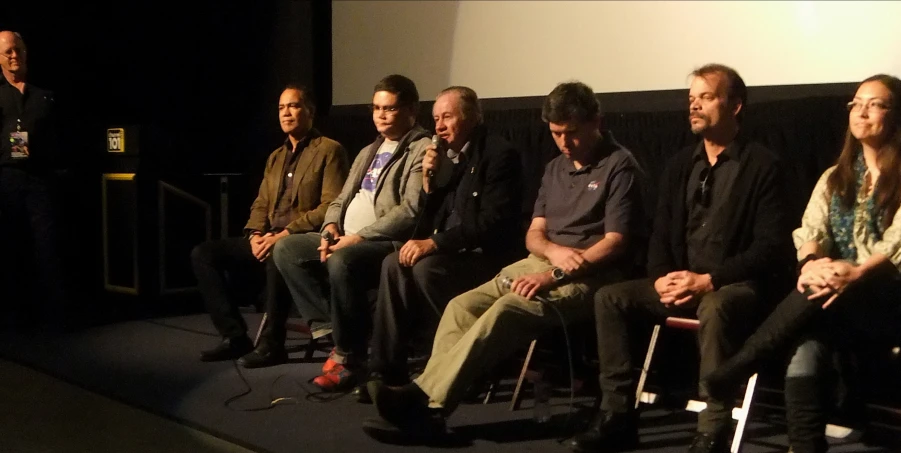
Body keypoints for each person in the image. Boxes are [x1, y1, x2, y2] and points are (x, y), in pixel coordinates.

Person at [362, 80, 645, 443]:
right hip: (540, 261)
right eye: (556, 133)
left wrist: (556, 271)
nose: (564, 142)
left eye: (571, 133)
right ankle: (430, 408)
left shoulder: (619, 166)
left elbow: (616, 243)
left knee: (508, 310)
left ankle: (424, 403)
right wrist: (552, 253)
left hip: (590, 273)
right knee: (460, 307)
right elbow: (534, 233)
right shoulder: (556, 167)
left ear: (596, 122)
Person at [566, 64, 794, 453]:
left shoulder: (762, 165)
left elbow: (771, 247)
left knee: (717, 307)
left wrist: (709, 280)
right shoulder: (680, 165)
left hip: (734, 285)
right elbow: (660, 234)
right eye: (691, 99)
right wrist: (660, 278)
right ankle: (616, 415)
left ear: (735, 105)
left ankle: (713, 429)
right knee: (610, 298)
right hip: (680, 280)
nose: (695, 107)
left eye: (706, 97)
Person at [702, 74, 901, 453]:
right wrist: (812, 263)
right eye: (856, 103)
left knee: (815, 299)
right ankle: (804, 446)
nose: (861, 112)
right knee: (806, 342)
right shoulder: (836, 177)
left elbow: (897, 244)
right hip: (832, 296)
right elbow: (811, 227)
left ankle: (742, 364)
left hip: (888, 294)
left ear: (895, 114)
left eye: (875, 104)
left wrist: (856, 272)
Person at [259, 74, 431, 375]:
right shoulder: (370, 150)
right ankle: (333, 329)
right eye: (377, 108)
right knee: (286, 248)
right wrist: (329, 229)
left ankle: (347, 351)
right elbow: (339, 200)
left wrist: (359, 238)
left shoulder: (421, 148)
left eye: (389, 108)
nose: (381, 115)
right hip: (345, 237)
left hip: (384, 242)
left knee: (342, 259)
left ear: (411, 111)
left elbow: (410, 211)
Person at [362, 86, 522, 399]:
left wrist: (434, 244)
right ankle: (387, 369)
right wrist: (428, 186)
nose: (438, 126)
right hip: (451, 252)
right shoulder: (445, 159)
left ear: (473, 117)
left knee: (426, 270)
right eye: (435, 118)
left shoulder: (499, 155)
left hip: (485, 257)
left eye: (447, 117)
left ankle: (455, 365)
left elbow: (491, 224)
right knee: (393, 263)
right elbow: (424, 222)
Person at [191, 85, 349, 362]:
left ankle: (271, 343)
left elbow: (330, 206)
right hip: (268, 236)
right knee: (203, 254)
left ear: (310, 111)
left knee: (281, 251)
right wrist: (254, 234)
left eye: (293, 106)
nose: (286, 113)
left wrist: (284, 234)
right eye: (281, 108)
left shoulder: (329, 150)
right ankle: (235, 336)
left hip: (302, 240)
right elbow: (261, 203)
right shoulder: (276, 157)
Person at [0, 30, 68, 330]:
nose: (13, 56)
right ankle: (13, 316)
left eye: (17, 50)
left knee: (47, 247)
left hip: (40, 178)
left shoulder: (45, 96)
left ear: (26, 53)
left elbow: (60, 137)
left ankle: (52, 316)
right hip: (6, 179)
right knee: (10, 246)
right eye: (7, 52)